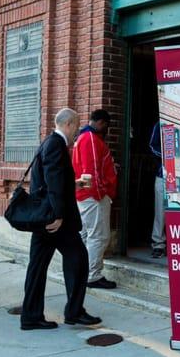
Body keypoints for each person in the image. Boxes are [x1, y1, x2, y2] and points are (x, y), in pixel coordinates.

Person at [20, 108, 102, 330]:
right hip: (55, 220)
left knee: (38, 267)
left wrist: (74, 184)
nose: (77, 131)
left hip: (44, 217)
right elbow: (53, 181)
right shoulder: (56, 145)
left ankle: (31, 316)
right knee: (78, 257)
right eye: (76, 126)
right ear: (69, 124)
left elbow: (52, 180)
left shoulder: (48, 142)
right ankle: (73, 312)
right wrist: (57, 215)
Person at [72, 109, 118, 289]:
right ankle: (92, 275)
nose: (106, 129)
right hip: (93, 196)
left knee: (86, 236)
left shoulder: (82, 138)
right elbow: (91, 172)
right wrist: (100, 193)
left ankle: (82, 272)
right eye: (106, 125)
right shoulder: (90, 138)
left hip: (85, 195)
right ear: (101, 123)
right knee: (99, 236)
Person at [149, 121, 167, 258]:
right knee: (160, 211)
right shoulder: (160, 124)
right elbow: (152, 146)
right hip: (163, 174)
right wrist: (168, 156)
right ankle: (158, 243)